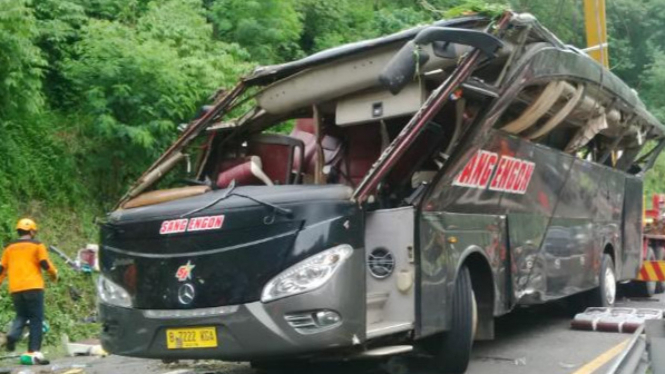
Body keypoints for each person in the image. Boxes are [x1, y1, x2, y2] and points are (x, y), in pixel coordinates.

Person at [0, 218, 57, 363]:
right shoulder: (37, 245)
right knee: (36, 319)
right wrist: (53, 274)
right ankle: (34, 351)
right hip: (34, 287)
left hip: (16, 288)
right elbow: (44, 263)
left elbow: (1, 269)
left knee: (21, 315)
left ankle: (12, 336)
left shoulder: (9, 247)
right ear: (31, 231)